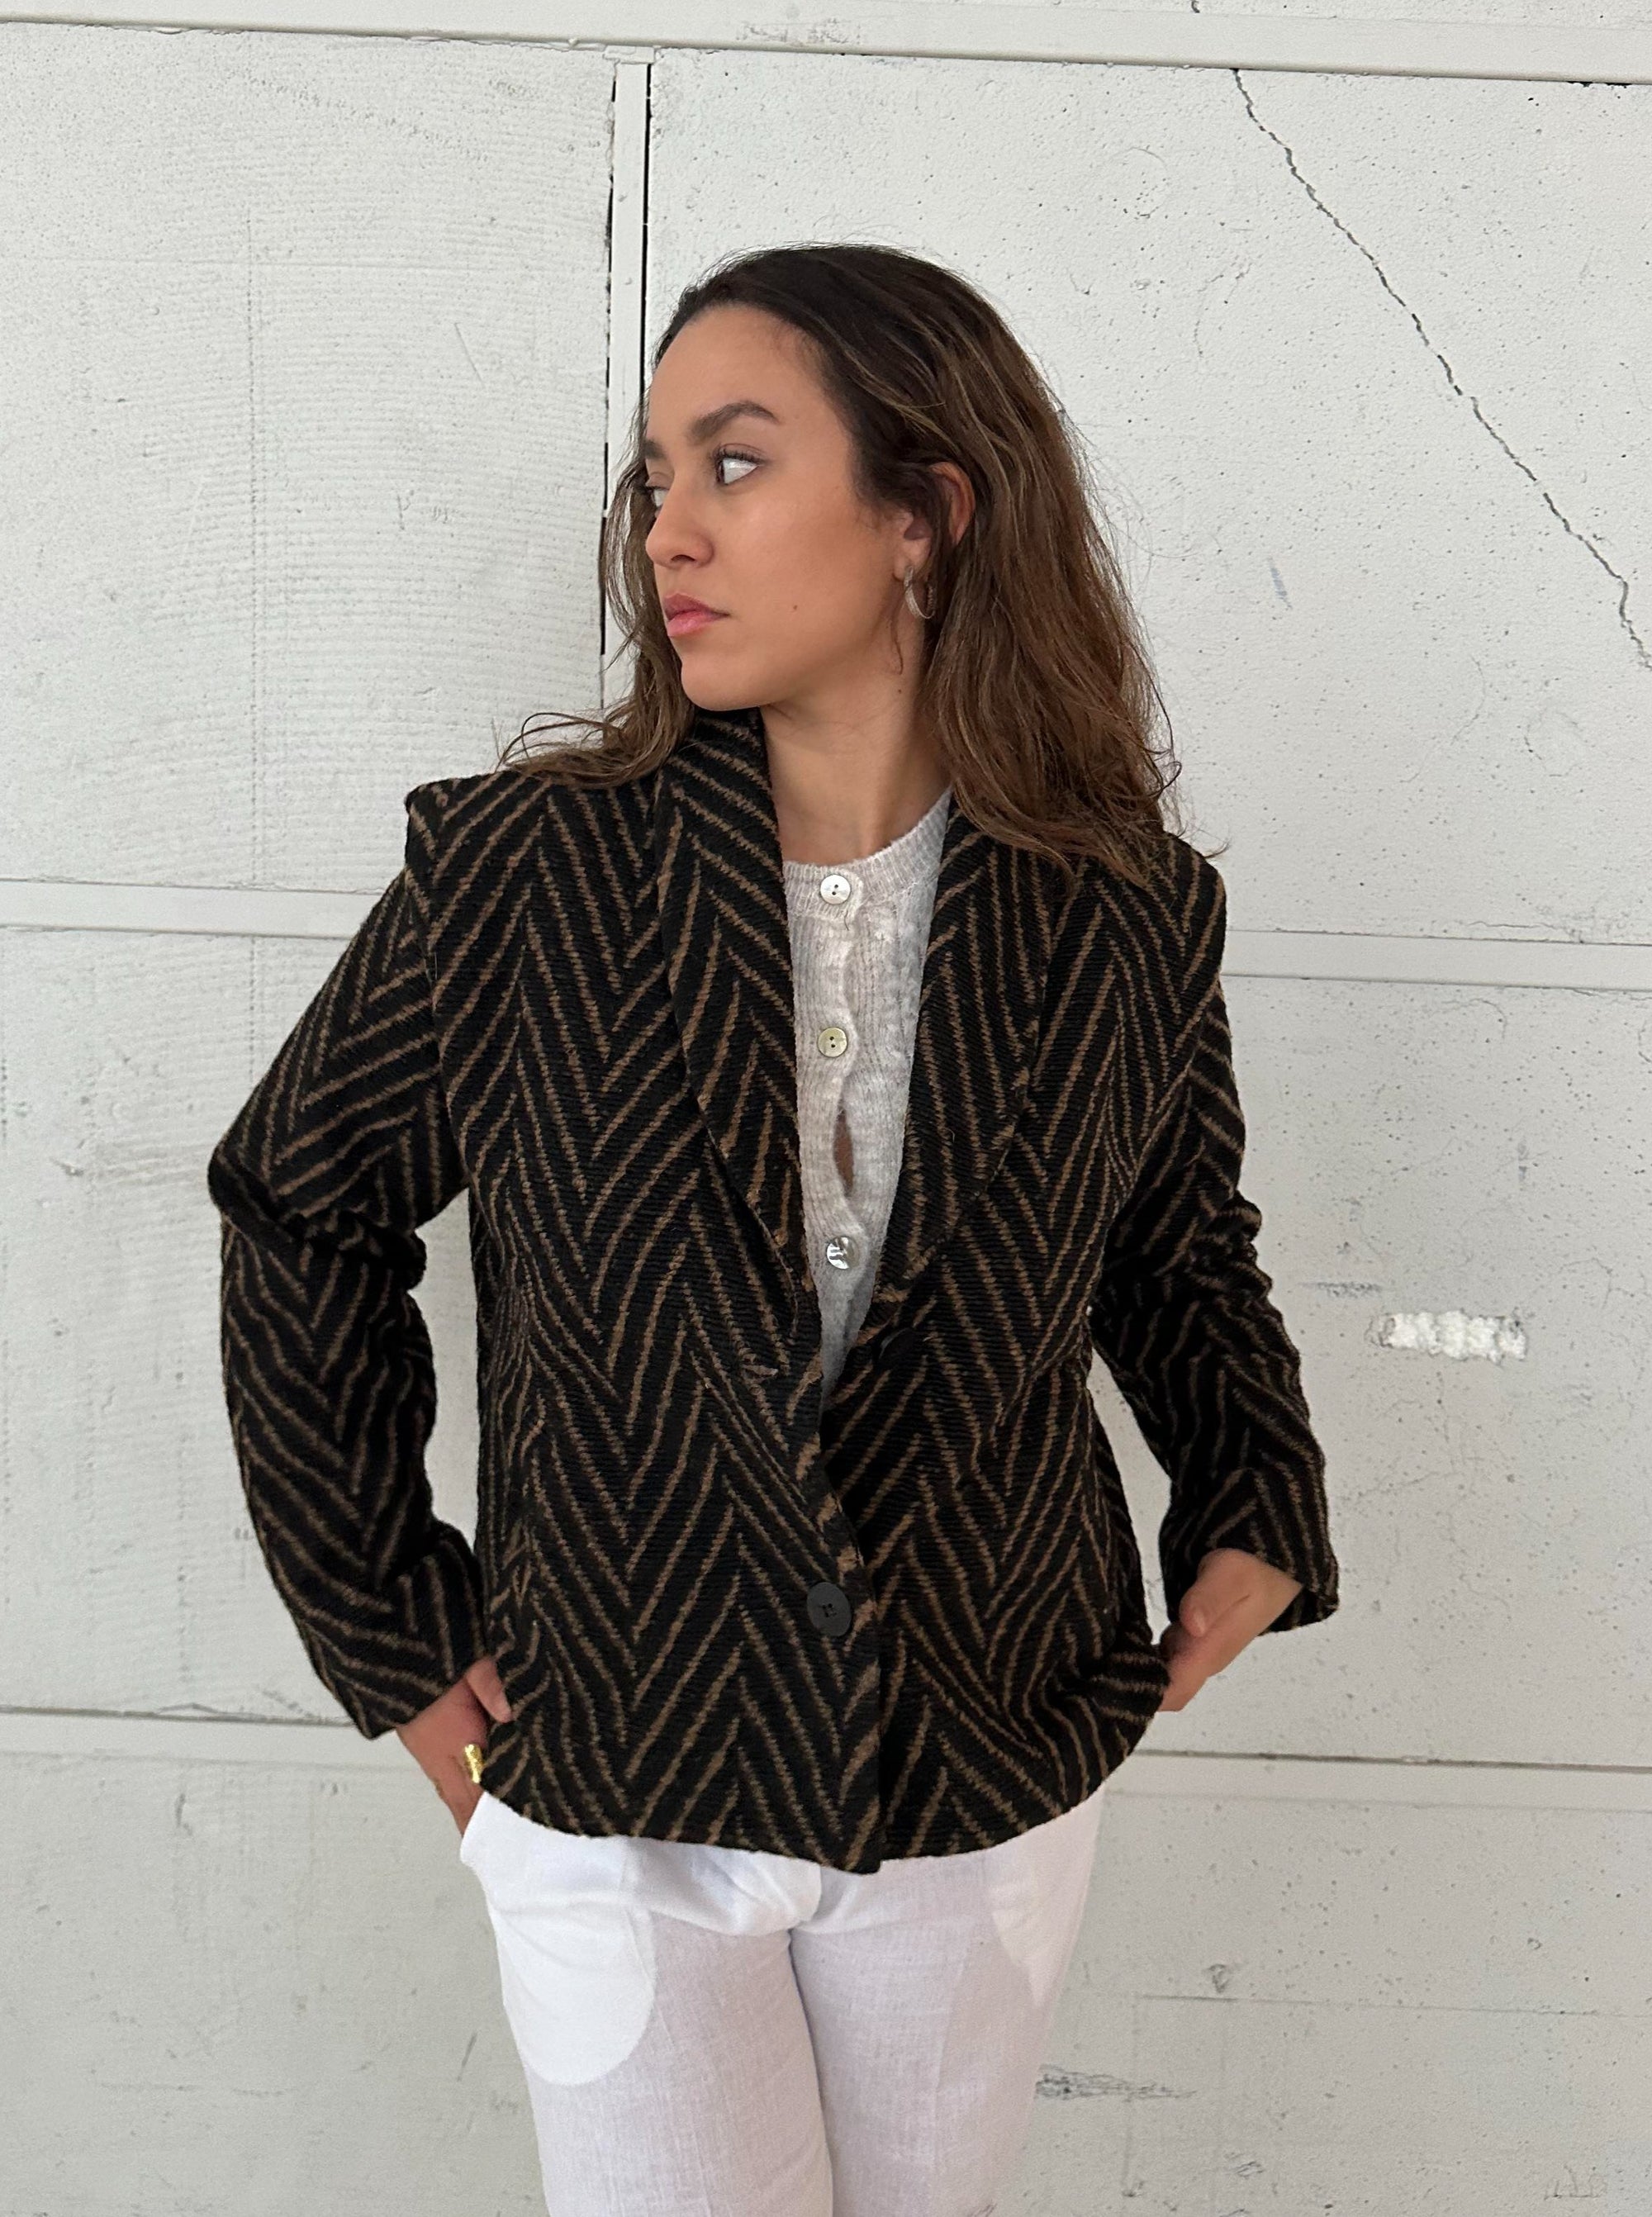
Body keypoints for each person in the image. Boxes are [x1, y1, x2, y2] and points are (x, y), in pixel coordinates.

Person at [207, 241, 1339, 2216]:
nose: (669, 528)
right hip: (615, 1765)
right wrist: (389, 1630)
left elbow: (1173, 1243)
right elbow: (298, 1207)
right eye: (656, 475)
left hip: (984, 1752)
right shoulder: (523, 875)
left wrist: (1255, 1489)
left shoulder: (1123, 907)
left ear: (925, 513)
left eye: (733, 464)